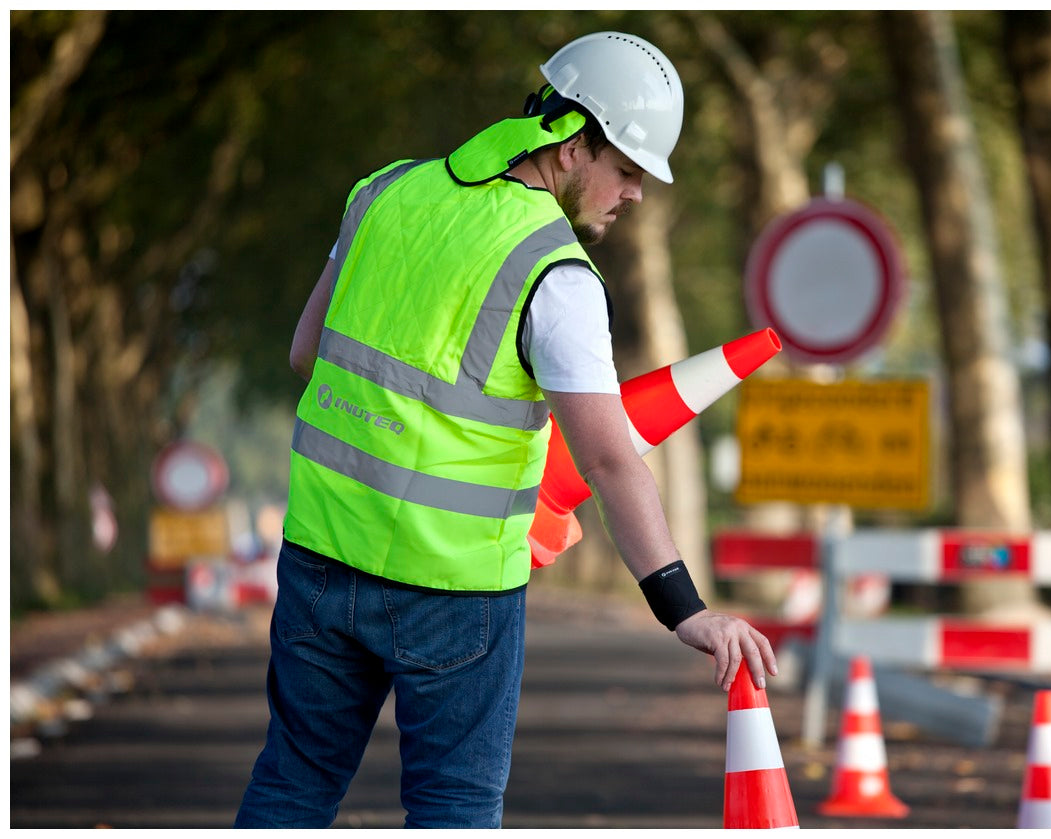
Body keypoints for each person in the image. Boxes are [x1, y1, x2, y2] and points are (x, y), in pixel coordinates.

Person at [234, 31, 777, 829]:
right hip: (455, 595)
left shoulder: (383, 192)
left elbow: (305, 351)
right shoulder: (555, 274)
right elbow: (608, 458)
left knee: (293, 783)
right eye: (626, 170)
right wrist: (682, 607)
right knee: (453, 805)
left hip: (320, 559)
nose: (634, 195)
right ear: (569, 144)